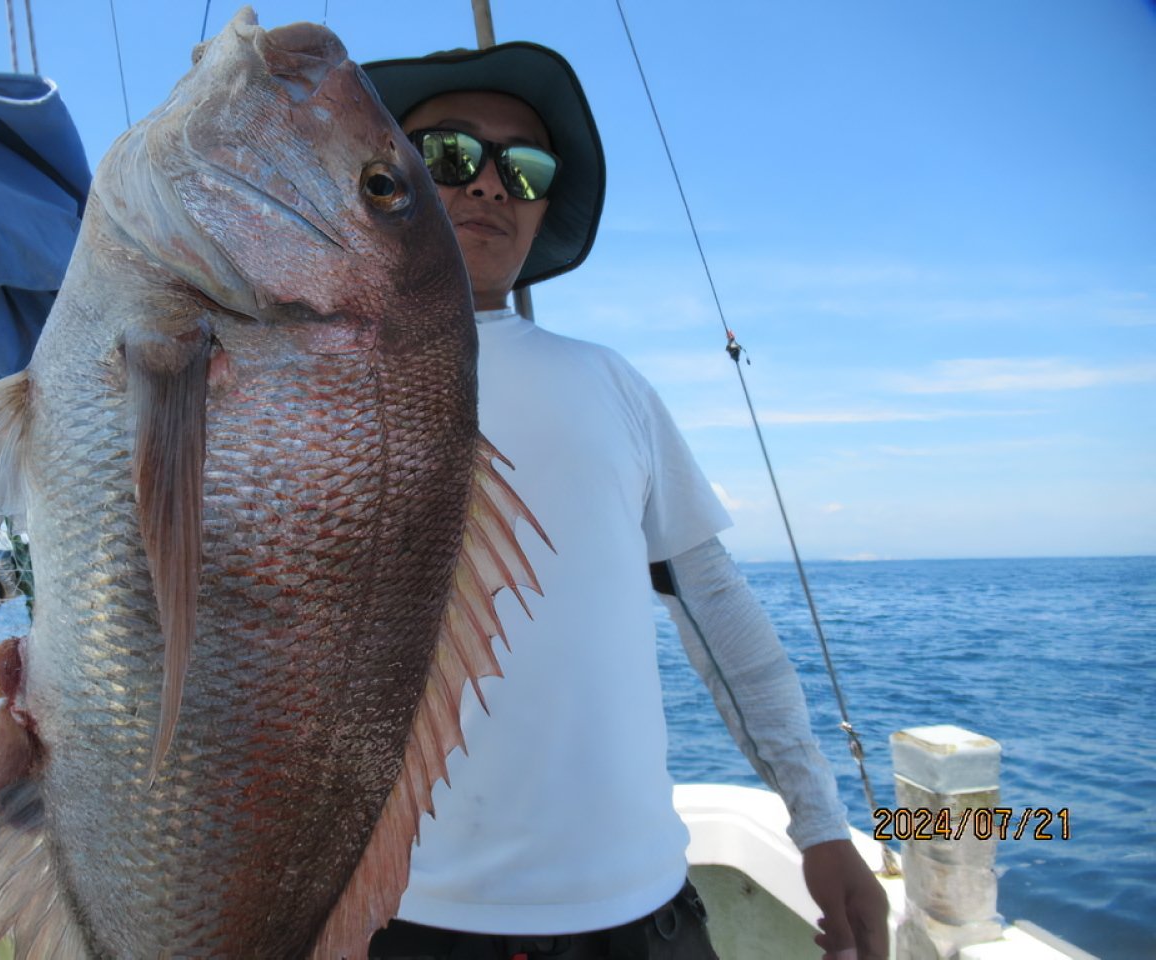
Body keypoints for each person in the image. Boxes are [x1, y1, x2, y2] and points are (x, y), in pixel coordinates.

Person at [361, 42, 888, 960]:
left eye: (523, 167)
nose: (489, 185)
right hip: (393, 918)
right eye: (448, 154)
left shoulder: (612, 383)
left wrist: (819, 820)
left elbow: (716, 610)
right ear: (385, 180)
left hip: (643, 918)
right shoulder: (299, 385)